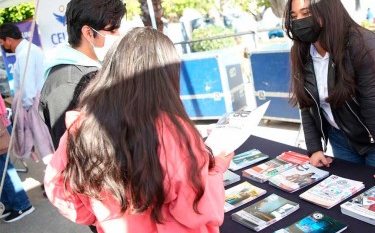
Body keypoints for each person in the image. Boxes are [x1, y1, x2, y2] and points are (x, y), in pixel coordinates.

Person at [44, 27, 234, 233]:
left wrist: (102, 216)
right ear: (164, 76)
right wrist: (216, 169)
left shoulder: (81, 126)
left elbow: (62, 193)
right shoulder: (172, 133)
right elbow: (201, 211)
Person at [283, 0, 375, 184]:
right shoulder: (300, 52)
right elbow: (307, 104)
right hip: (341, 138)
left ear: (327, 11)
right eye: (294, 16)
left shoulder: (364, 44)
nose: (299, 21)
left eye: (306, 13)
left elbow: (374, 108)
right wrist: (314, 148)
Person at [39, 0, 126, 150]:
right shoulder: (65, 84)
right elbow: (71, 152)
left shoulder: (96, 67)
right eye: (112, 30)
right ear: (88, 32)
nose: (118, 35)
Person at [0, 23, 53, 163]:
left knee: (45, 144)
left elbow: (27, 86)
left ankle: (56, 179)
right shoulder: (29, 50)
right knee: (48, 142)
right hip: (39, 101)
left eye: (2, 43)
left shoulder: (25, 54)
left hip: (34, 104)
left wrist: (26, 107)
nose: (3, 47)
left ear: (9, 40)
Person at [0, 95, 35, 223]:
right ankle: (8, 204)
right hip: (3, 124)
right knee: (3, 168)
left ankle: (22, 205)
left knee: (4, 169)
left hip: (1, 127)